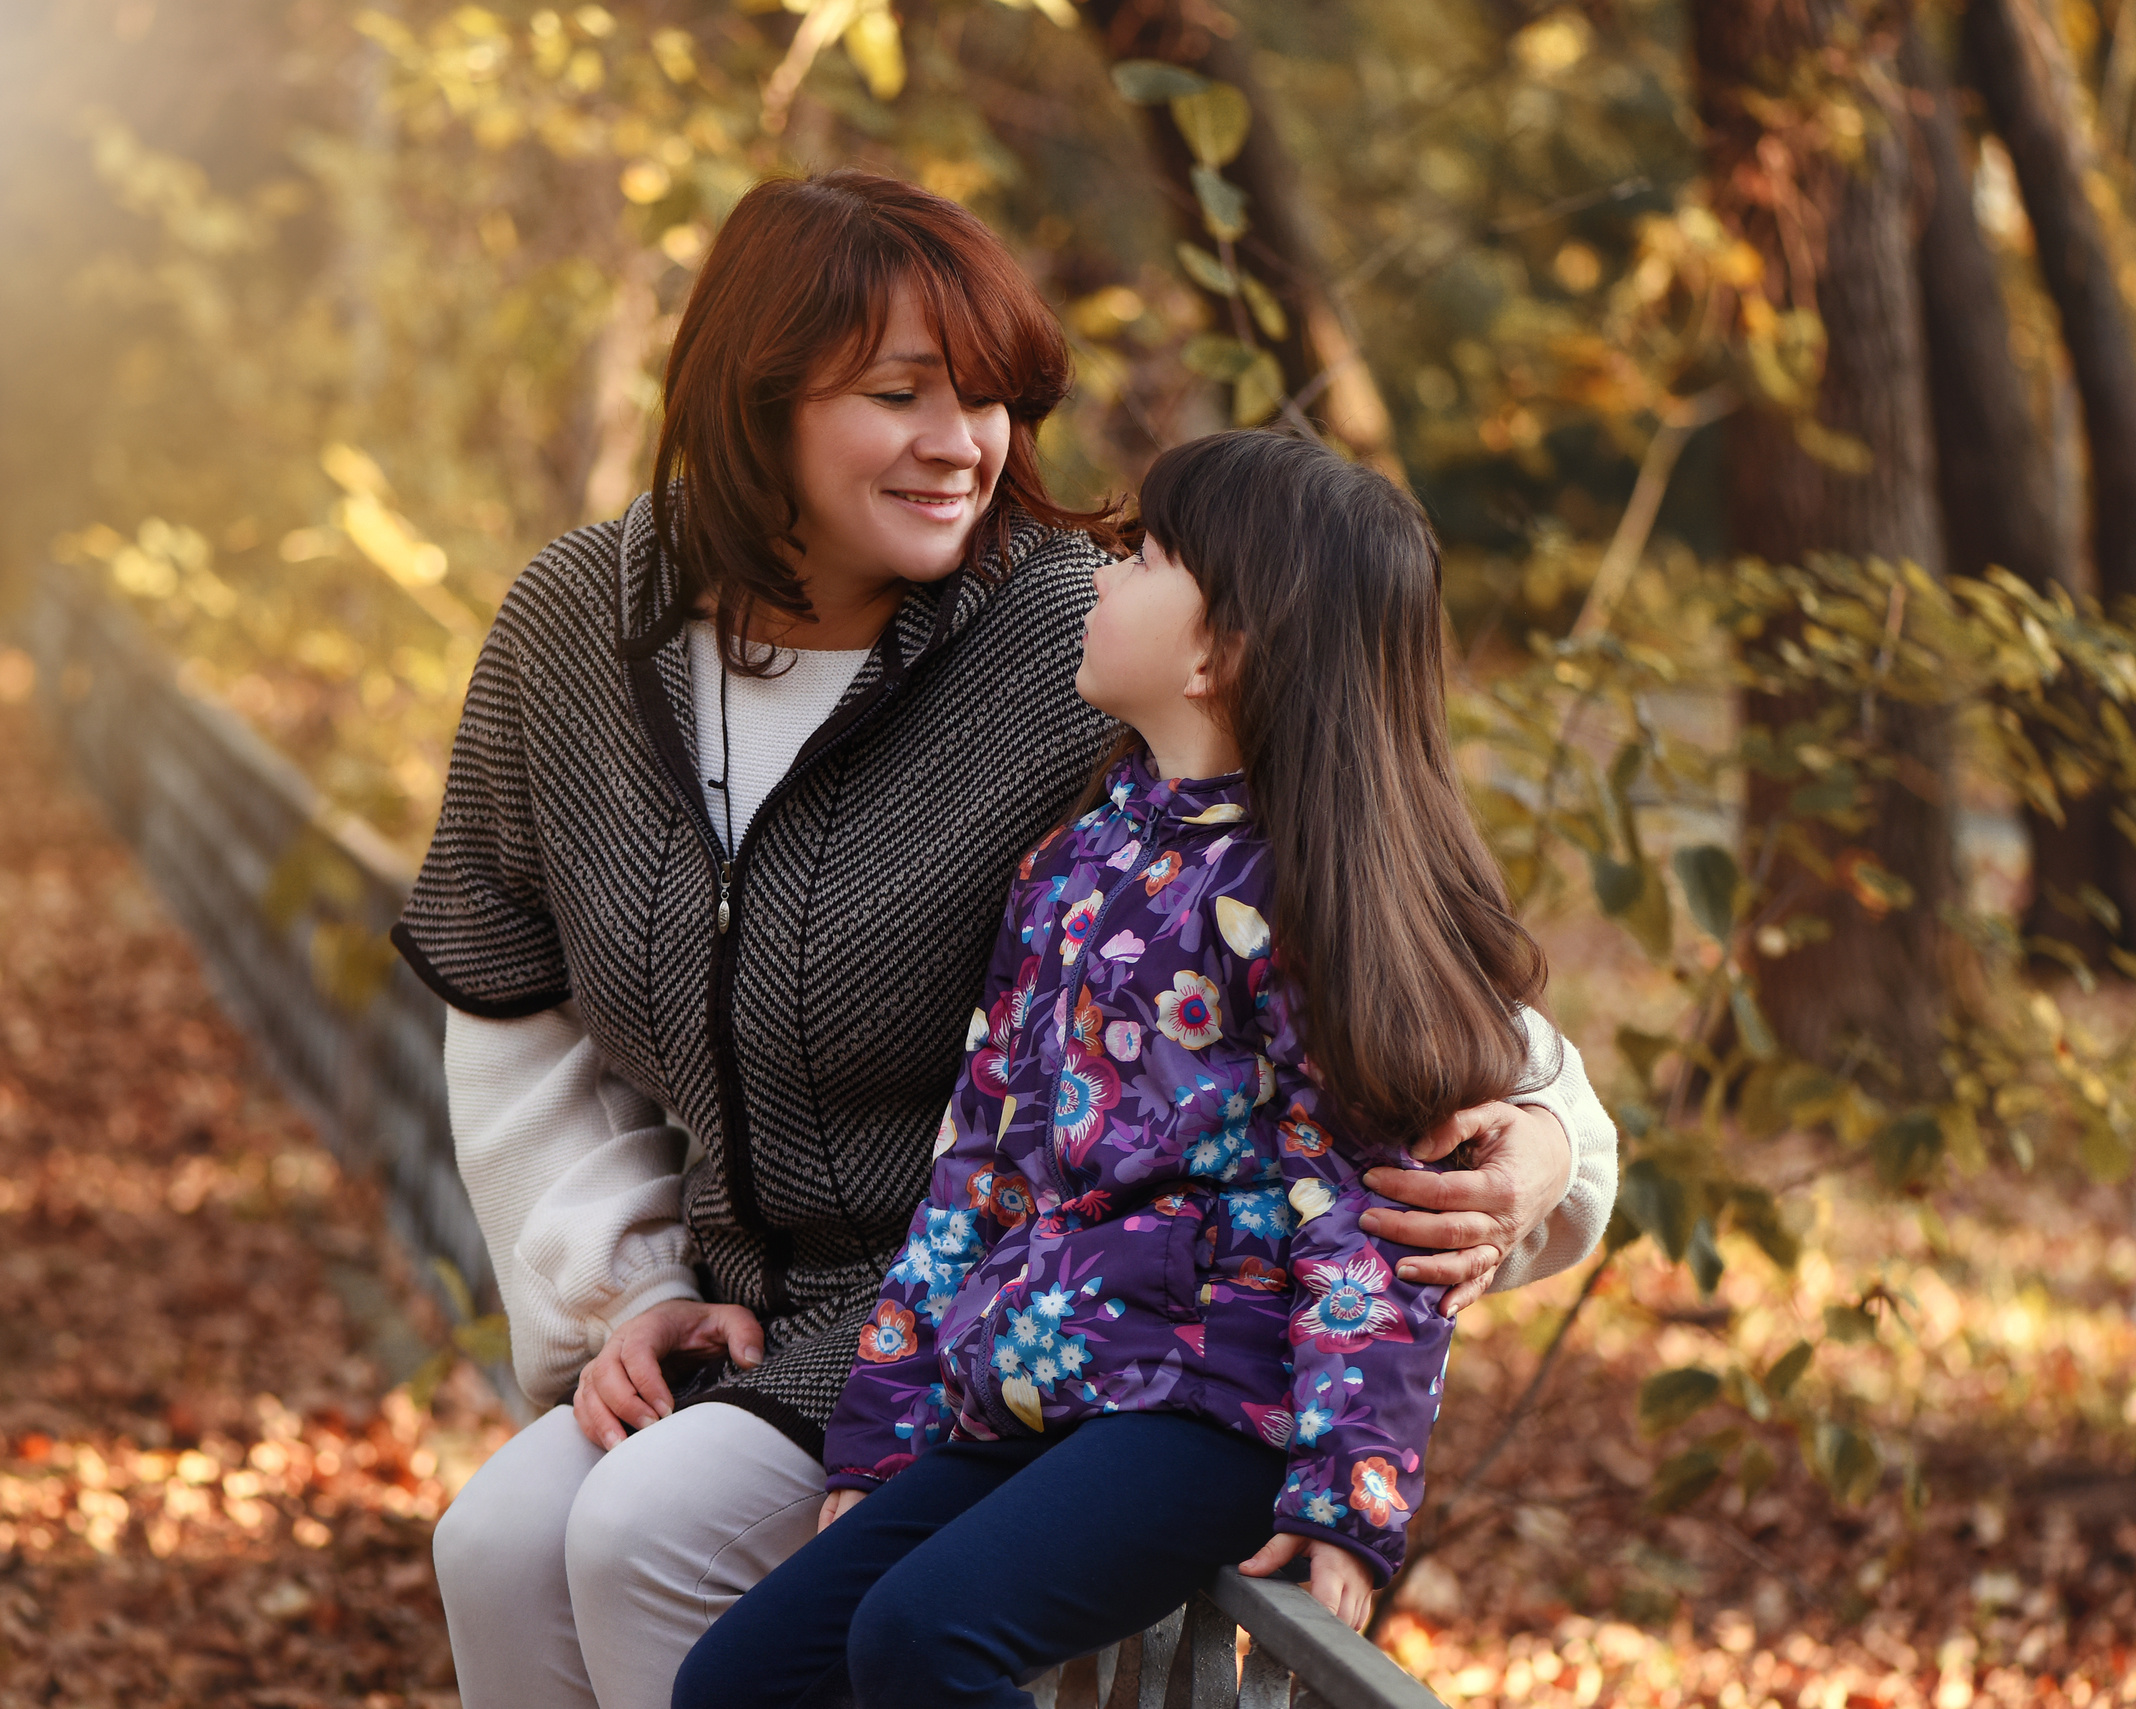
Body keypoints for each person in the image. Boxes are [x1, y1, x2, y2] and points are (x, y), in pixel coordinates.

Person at [394, 171, 1619, 1709]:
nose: (963, 444)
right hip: (777, 1303)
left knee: (643, 1537)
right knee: (494, 1548)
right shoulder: (577, 628)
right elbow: (513, 998)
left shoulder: (1075, 644)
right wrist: (619, 1291)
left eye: (988, 398)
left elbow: (1378, 923)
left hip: (991, 1316)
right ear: (751, 402)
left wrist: (1551, 1146)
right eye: (899, 393)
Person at [672, 428, 1553, 1709]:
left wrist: (1350, 1487)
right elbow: (976, 1172)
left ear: (1222, 647)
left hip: (1213, 1404)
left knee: (923, 1639)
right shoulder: (1073, 863)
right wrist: (880, 1434)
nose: (1100, 575)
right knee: (741, 1676)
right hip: (1041, 1382)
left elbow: (1372, 1223)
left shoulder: (1306, 903)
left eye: (1142, 557)